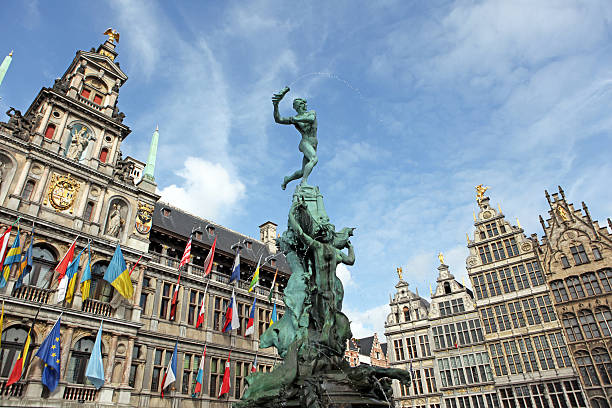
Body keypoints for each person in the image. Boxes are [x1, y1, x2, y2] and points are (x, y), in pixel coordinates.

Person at [272, 87, 318, 190]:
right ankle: (304, 183)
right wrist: (276, 105)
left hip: (313, 144)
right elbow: (278, 119)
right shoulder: (295, 119)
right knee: (314, 159)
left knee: (303, 171)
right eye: (302, 104)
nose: (305, 105)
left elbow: (310, 119)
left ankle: (287, 179)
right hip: (305, 142)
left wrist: (295, 119)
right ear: (299, 106)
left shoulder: (311, 113)